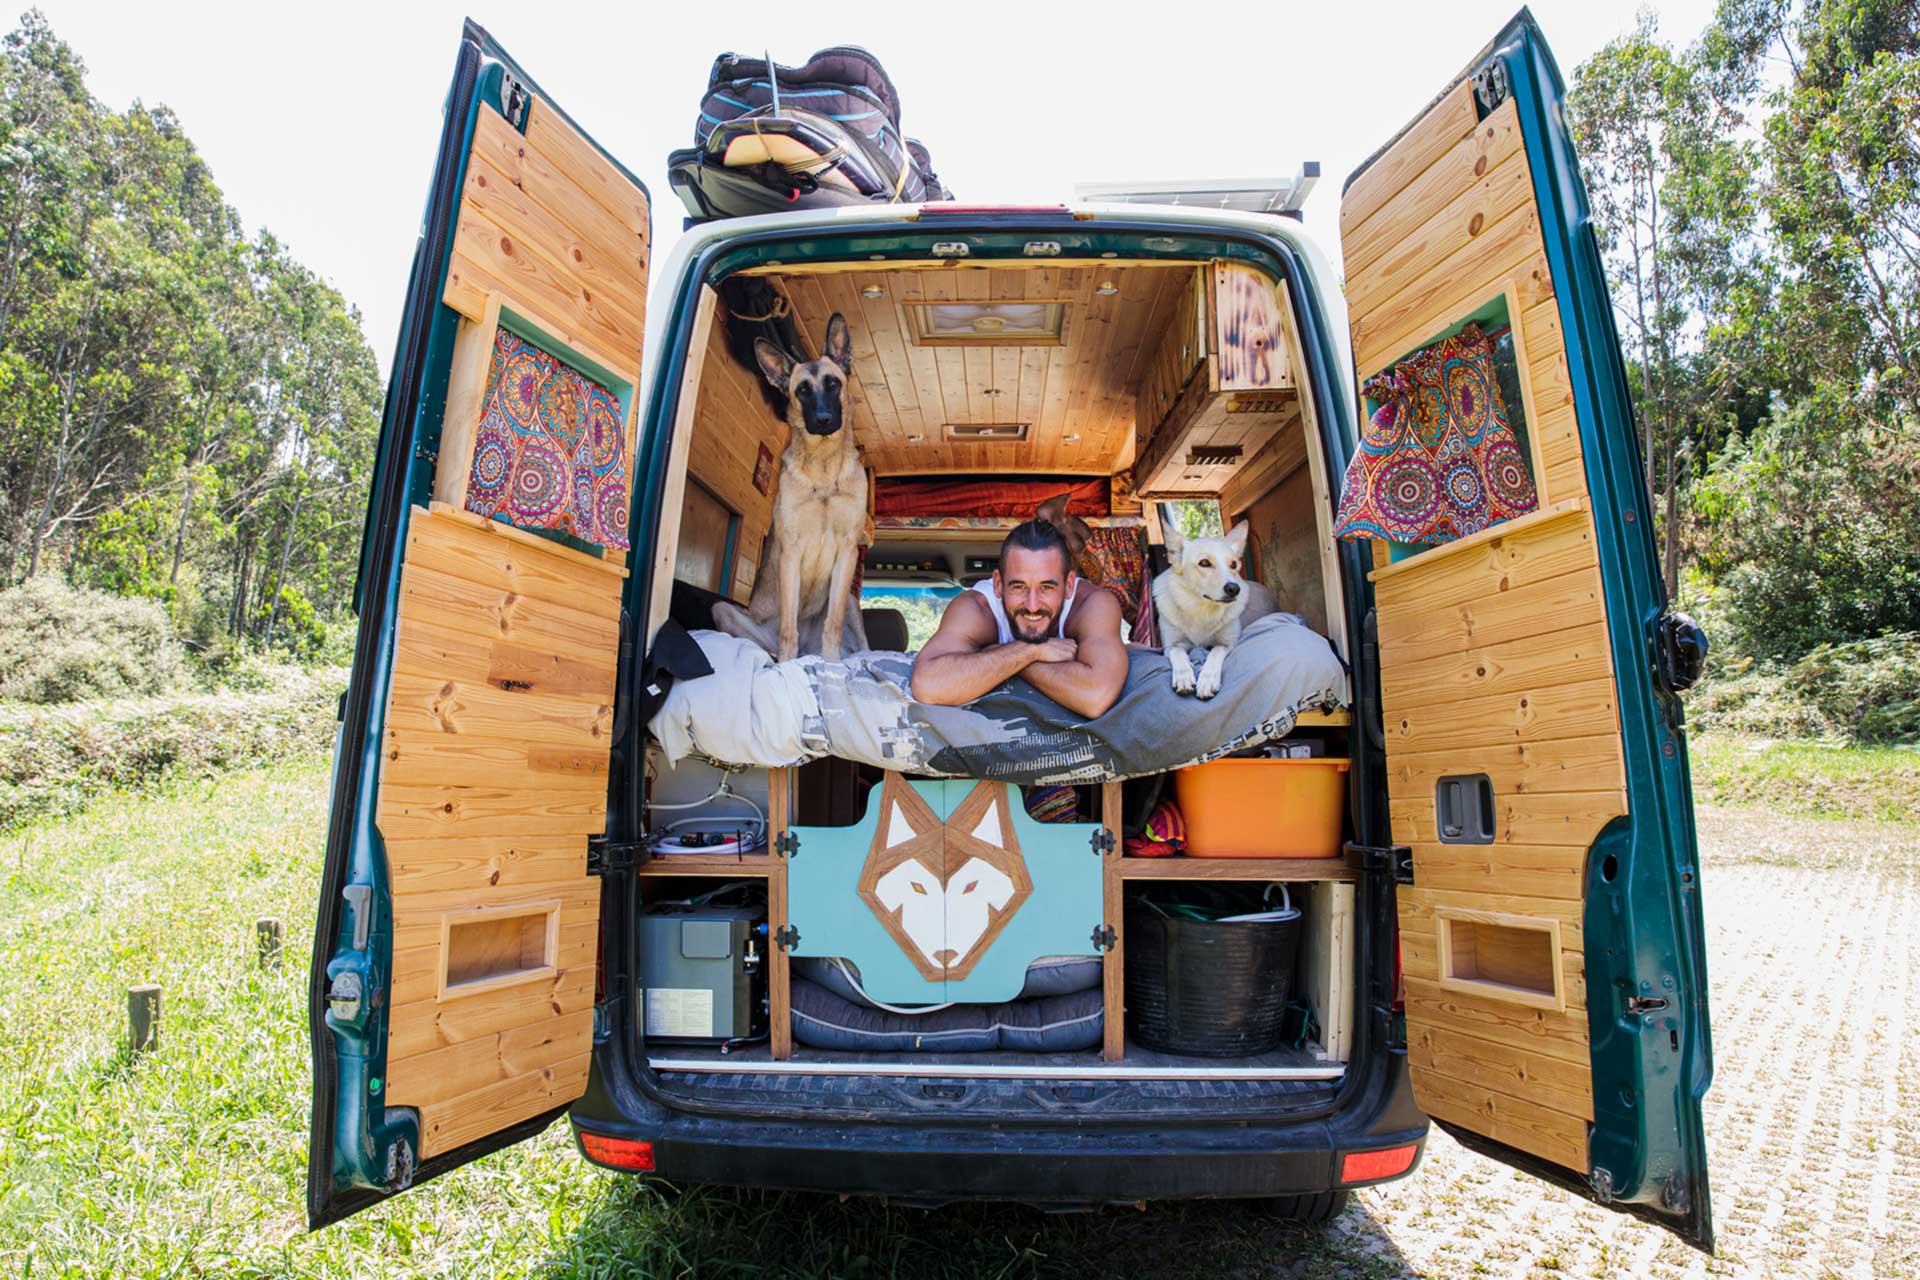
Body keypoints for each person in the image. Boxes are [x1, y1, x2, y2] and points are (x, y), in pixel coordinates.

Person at [910, 518, 1128, 718]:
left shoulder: (1091, 605)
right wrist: (1030, 651)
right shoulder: (977, 608)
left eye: (1046, 587)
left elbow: (1096, 697)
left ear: (1069, 585)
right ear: (998, 584)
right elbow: (928, 685)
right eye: (1019, 587)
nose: (1032, 605)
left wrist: (1000, 655)